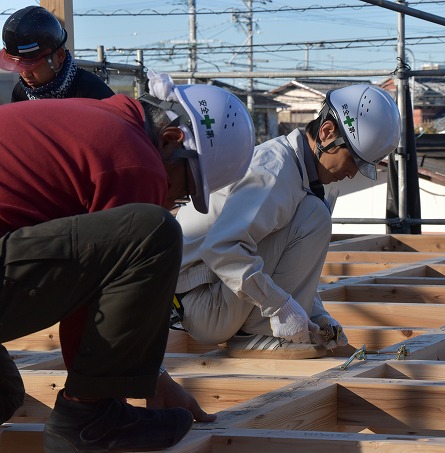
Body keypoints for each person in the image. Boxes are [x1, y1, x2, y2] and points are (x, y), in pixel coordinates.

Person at [0, 73, 255, 451]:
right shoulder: (134, 159)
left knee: (2, 392)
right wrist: (97, 405)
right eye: (182, 188)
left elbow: (83, 272)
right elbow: (90, 307)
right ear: (171, 141)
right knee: (154, 232)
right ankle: (91, 422)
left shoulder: (100, 120)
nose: (171, 201)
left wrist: (152, 377)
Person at [171, 83, 401, 359]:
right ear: (327, 133)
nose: (352, 174)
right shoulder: (275, 172)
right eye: (353, 161)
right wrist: (279, 308)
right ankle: (256, 334)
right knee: (314, 215)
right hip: (201, 303)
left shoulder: (295, 175)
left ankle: (259, 328)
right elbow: (222, 249)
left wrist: (315, 314)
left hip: (212, 297)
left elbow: (282, 261)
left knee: (312, 212)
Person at [0, 5, 114, 101]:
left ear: (59, 56)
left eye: (31, 65)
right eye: (19, 65)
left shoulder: (91, 92)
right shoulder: (20, 93)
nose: (25, 73)